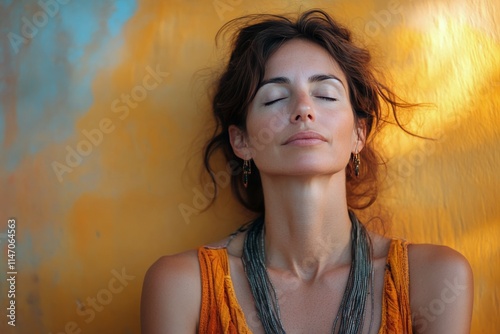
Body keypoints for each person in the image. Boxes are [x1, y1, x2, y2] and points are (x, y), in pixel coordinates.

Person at [141, 9, 473, 334]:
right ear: (241, 141)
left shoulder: (433, 278)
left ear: (359, 133)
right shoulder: (183, 287)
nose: (303, 109)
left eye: (326, 95)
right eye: (274, 99)